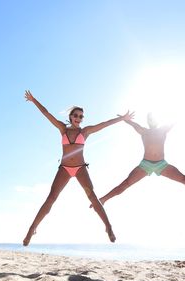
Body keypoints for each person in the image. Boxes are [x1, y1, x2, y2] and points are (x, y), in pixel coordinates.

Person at [22, 90, 134, 246]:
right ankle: (32, 229)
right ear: (70, 117)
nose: (78, 118)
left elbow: (103, 125)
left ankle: (108, 227)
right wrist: (34, 100)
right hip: (65, 168)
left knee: (93, 197)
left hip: (80, 168)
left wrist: (122, 118)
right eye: (76, 115)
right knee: (51, 198)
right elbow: (47, 114)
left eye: (81, 116)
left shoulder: (85, 131)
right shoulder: (63, 129)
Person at [98, 113, 185, 205]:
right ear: (148, 121)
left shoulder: (163, 129)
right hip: (145, 164)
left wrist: (184, 112)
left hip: (162, 164)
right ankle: (104, 199)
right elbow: (132, 124)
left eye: (153, 118)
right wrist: (125, 118)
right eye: (149, 119)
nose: (151, 120)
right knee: (126, 183)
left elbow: (175, 120)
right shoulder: (144, 131)